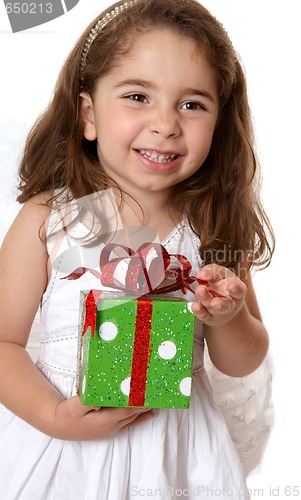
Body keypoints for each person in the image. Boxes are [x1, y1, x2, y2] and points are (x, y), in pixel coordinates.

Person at [0, 0, 275, 498]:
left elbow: (244, 360)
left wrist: (229, 316)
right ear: (88, 114)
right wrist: (55, 418)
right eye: (137, 96)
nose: (166, 123)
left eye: (192, 104)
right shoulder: (52, 218)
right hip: (65, 448)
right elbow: (2, 343)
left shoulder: (209, 226)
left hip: (178, 455)